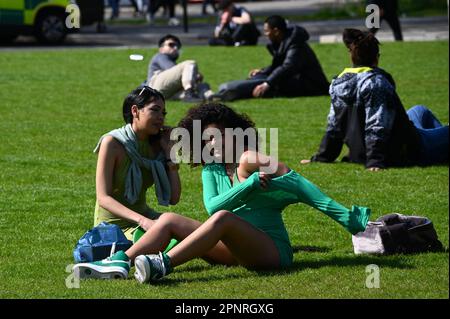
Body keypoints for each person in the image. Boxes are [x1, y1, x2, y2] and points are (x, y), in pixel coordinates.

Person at [73, 102, 371, 283]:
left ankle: (161, 265)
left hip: (271, 253)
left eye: (216, 136)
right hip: (233, 251)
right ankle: (119, 263)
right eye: (206, 140)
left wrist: (350, 221)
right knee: (169, 220)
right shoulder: (211, 169)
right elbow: (213, 206)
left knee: (224, 219)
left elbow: (304, 188)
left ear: (234, 132)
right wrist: (250, 185)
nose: (212, 144)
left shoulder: (252, 158)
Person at [301, 29, 448, 170]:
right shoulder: (375, 83)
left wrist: (323, 157)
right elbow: (377, 124)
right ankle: (435, 151)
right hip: (408, 149)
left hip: (380, 146)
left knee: (420, 110)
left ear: (351, 56)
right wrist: (374, 161)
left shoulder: (338, 83)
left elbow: (334, 126)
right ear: (376, 58)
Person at [211, 15, 329, 101]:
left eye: (267, 31)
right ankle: (230, 89)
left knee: (269, 84)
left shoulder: (295, 44)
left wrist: (267, 83)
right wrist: (262, 71)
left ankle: (231, 92)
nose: (265, 34)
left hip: (311, 85)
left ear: (276, 31)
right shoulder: (284, 41)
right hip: (296, 79)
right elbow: (278, 65)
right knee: (260, 77)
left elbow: (288, 67)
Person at [146, 34, 213, 103]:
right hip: (155, 88)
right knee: (190, 63)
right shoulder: (160, 56)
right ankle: (189, 93)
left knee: (202, 85)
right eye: (171, 45)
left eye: (177, 46)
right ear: (161, 49)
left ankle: (211, 96)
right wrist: (195, 75)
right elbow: (172, 69)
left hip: (165, 93)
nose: (175, 48)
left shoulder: (171, 62)